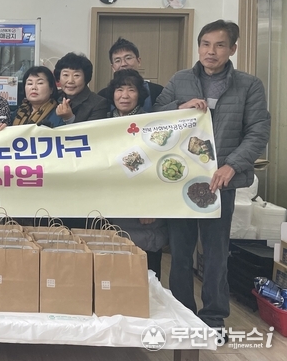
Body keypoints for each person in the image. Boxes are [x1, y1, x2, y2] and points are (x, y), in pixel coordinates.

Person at [154, 20, 270, 332]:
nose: (211, 51)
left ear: (233, 49)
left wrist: (232, 165)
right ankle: (183, 313)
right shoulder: (180, 79)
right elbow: (156, 118)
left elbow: (258, 131)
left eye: (219, 45)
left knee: (216, 252)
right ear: (198, 47)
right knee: (180, 252)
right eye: (205, 44)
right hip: (182, 180)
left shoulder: (249, 85)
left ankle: (214, 317)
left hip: (222, 181)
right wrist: (180, 106)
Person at [106, 69, 168, 279]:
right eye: (119, 89)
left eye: (131, 90)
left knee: (146, 274)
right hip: (113, 204)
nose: (124, 95)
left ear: (140, 94)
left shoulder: (151, 125)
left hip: (142, 210)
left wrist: (149, 205)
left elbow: (156, 168)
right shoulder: (102, 123)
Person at [97, 37, 163, 112]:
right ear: (113, 67)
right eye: (117, 60)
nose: (123, 64)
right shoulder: (102, 96)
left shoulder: (157, 91)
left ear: (139, 61)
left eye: (128, 58)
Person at [53, 52, 108, 123]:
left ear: (85, 78)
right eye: (66, 75)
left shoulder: (98, 103)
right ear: (59, 77)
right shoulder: (54, 96)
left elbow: (93, 130)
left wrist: (69, 118)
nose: (70, 81)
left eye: (76, 75)